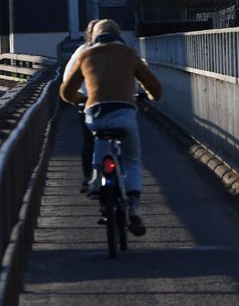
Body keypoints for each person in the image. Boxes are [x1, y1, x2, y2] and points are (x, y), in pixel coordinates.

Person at [60, 19, 163, 235]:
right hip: (124, 113)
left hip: (95, 113)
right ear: (119, 35)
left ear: (94, 37)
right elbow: (155, 89)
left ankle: (97, 177)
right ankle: (133, 205)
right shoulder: (129, 54)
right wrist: (150, 96)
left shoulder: (85, 55)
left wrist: (80, 99)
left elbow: (66, 92)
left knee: (97, 135)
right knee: (132, 161)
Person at [64, 19, 98, 193]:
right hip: (121, 105)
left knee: (89, 141)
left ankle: (87, 177)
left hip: (88, 104)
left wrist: (75, 98)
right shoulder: (122, 51)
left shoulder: (82, 52)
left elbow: (67, 80)